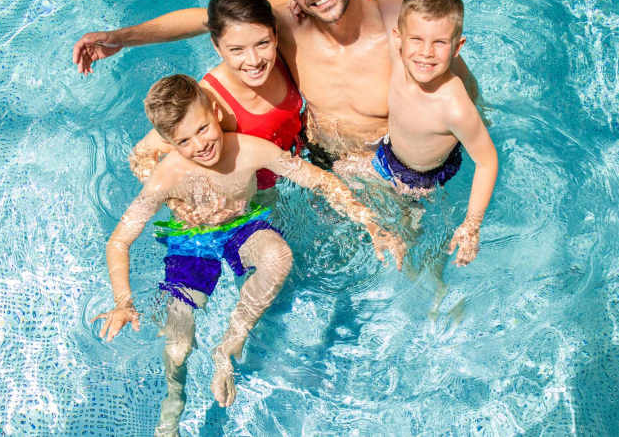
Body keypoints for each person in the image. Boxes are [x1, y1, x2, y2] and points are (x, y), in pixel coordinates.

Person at [91, 75, 404, 436]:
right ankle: (172, 409)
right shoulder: (166, 177)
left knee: (279, 257)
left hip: (241, 227)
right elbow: (119, 241)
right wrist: (122, 301)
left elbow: (318, 179)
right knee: (178, 345)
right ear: (168, 143)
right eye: (184, 141)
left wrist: (370, 223)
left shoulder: (249, 150)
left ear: (216, 112)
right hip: (193, 241)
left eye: (202, 129)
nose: (200, 145)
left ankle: (229, 345)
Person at [72, 0, 479, 168]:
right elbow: (206, 19)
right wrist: (120, 38)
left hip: (396, 165)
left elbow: (457, 83)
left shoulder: (396, 25)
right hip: (318, 160)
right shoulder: (284, 21)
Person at [128, 0, 302, 194]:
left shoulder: (282, 55)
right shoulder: (211, 99)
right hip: (255, 194)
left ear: (275, 33)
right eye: (237, 50)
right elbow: (141, 155)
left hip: (297, 162)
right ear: (216, 46)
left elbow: (295, 0)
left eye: (262, 43)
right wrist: (177, 197)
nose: (254, 61)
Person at [371, 0, 498, 266]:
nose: (426, 53)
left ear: (457, 47)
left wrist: (471, 225)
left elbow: (487, 161)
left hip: (423, 180)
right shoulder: (399, 60)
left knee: (409, 241)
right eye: (416, 39)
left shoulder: (453, 106)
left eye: (439, 43)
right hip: (387, 153)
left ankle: (432, 282)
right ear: (398, 39)